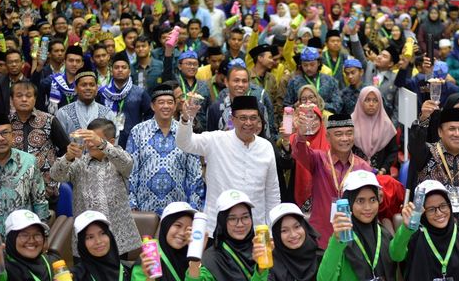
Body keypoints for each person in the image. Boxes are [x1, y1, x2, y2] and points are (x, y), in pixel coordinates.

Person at [176, 94, 280, 235]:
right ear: (232, 119)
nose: (248, 123)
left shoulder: (266, 146)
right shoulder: (216, 139)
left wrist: (272, 230)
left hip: (256, 228)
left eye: (253, 118)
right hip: (218, 227)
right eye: (243, 118)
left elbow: (272, 193)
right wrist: (186, 119)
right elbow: (184, 143)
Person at [51, 119, 140, 258]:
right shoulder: (79, 162)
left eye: (95, 140)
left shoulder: (118, 159)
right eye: (88, 139)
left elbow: (127, 163)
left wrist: (102, 144)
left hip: (117, 236)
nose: (90, 144)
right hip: (86, 236)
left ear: (110, 141)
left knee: (118, 278)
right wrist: (67, 157)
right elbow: (56, 176)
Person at [291, 113, 373, 248]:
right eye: (339, 134)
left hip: (353, 237)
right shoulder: (318, 160)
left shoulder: (363, 167)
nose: (345, 138)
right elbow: (300, 152)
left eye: (349, 133)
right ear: (328, 137)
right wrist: (300, 134)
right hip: (322, 236)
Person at [409, 106, 459, 237]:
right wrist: (423, 119)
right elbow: (415, 145)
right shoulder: (428, 154)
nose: (457, 134)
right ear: (440, 132)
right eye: (452, 129)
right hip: (432, 236)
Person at [127, 84, 204, 215]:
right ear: (152, 106)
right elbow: (130, 170)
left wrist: (194, 208)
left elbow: (194, 173)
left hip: (178, 208)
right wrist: (131, 203)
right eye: (161, 102)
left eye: (170, 102)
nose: (166, 106)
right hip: (144, 208)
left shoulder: (185, 131)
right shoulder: (138, 131)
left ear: (175, 106)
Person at [9, 80, 70, 205]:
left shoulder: (49, 120)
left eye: (29, 96)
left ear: (35, 98)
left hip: (46, 188)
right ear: (12, 99)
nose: (24, 99)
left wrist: (55, 171)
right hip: (14, 189)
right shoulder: (6, 123)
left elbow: (66, 149)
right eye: (19, 96)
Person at [98, 53, 153, 148]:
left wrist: (142, 132)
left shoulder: (139, 93)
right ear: (111, 71)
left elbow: (150, 114)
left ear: (129, 71)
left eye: (124, 67)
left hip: (133, 141)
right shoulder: (103, 93)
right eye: (116, 67)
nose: (120, 70)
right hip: (106, 142)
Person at [285, 104, 329, 211]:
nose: (311, 123)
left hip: (323, 194)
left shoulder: (329, 141)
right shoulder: (292, 139)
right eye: (307, 118)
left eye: (314, 119)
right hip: (295, 193)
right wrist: (285, 139)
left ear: (321, 120)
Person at [351, 86, 399, 175]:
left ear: (380, 102)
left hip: (380, 175)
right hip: (355, 173)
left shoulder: (386, 125)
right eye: (367, 100)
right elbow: (346, 150)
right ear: (361, 101)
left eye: (375, 100)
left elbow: (393, 151)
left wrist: (383, 169)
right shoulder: (351, 123)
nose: (371, 104)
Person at [55, 66, 115, 136]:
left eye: (92, 85)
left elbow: (113, 142)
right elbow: (58, 141)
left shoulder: (108, 114)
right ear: (76, 89)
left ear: (96, 89)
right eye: (84, 85)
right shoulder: (63, 113)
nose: (88, 88)